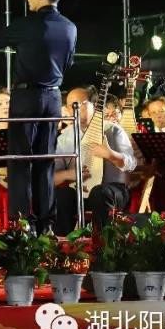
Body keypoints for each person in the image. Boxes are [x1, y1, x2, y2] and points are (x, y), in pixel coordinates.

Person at [0, 0, 76, 233]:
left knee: (19, 161)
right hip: (54, 98)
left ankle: (21, 225)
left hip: (27, 97)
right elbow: (68, 63)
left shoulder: (27, 24)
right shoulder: (70, 28)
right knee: (45, 161)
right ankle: (46, 225)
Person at [53, 100, 137, 235]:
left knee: (99, 193)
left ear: (95, 106)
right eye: (73, 104)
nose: (78, 107)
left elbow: (132, 163)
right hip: (80, 192)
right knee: (62, 196)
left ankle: (103, 243)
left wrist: (111, 155)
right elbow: (51, 178)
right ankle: (64, 243)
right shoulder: (65, 137)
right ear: (67, 109)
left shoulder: (114, 131)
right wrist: (69, 174)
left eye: (83, 103)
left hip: (114, 191)